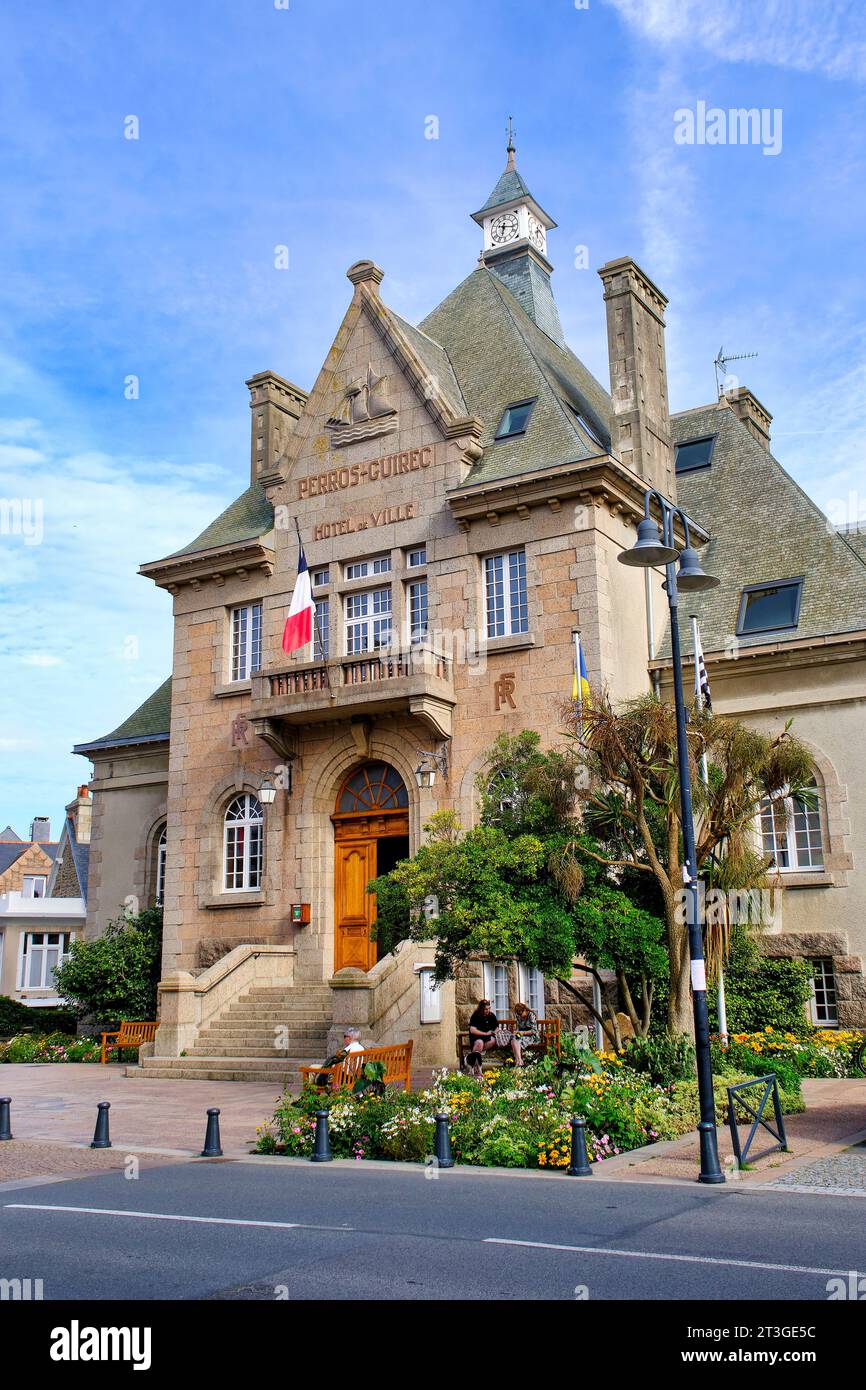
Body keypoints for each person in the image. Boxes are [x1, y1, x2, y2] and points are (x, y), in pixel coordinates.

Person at [512, 1001, 540, 1066]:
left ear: (524, 1010)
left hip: (532, 1037)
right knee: (514, 1039)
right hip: (522, 1035)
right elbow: (519, 1028)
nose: (520, 1016)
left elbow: (534, 1031)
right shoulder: (518, 1016)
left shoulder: (531, 1015)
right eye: (518, 1014)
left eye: (521, 1014)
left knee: (516, 1040)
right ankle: (519, 1060)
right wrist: (517, 1032)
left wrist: (523, 1033)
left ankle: (518, 1061)